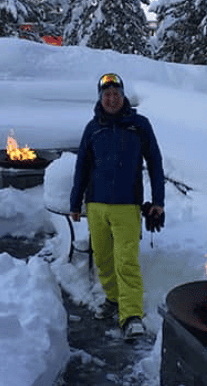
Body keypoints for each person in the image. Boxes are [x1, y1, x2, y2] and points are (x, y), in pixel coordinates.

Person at [70, 73, 165, 341]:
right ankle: (113, 298)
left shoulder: (139, 125)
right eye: (106, 94)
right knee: (102, 257)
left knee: (126, 260)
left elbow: (155, 164)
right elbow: (82, 167)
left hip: (127, 204)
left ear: (123, 96)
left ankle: (132, 314)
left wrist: (158, 201)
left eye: (116, 94)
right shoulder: (93, 128)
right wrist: (75, 202)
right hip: (97, 203)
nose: (112, 99)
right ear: (101, 98)